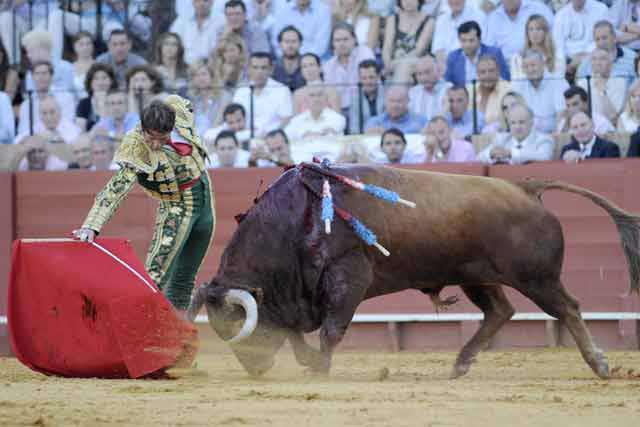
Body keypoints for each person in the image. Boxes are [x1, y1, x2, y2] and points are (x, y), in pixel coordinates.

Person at [73, 96, 215, 313]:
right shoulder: (135, 145)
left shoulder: (179, 109)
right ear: (143, 127)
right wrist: (92, 225)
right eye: (151, 137)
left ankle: (172, 334)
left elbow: (190, 105)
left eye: (163, 137)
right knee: (154, 278)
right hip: (176, 208)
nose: (156, 144)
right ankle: (130, 327)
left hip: (205, 200)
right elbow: (116, 187)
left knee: (185, 276)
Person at [232, 52, 293, 138]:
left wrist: (271, 136)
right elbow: (233, 118)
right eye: (255, 68)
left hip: (272, 138)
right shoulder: (241, 91)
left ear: (271, 70)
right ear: (249, 69)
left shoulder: (282, 90)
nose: (259, 72)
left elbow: (286, 120)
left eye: (263, 68)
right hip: (244, 136)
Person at [322, 22, 375, 115]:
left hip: (364, 107)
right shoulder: (328, 66)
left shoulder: (364, 53)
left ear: (354, 40)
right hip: (339, 111)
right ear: (333, 43)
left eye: (345, 39)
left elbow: (371, 83)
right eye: (337, 40)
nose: (341, 44)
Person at [511, 49, 568, 134]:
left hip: (553, 134)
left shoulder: (558, 81)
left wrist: (556, 135)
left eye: (533, 65)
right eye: (526, 66)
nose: (530, 70)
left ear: (543, 64)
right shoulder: (518, 85)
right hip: (526, 135)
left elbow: (562, 114)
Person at [476, 104, 554, 164]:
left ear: (531, 123)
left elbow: (544, 157)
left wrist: (511, 153)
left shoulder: (544, 139)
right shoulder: (502, 139)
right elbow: (478, 158)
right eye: (513, 123)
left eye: (521, 122)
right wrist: (491, 154)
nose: (517, 127)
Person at [483, 0, 554, 63]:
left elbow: (554, 37)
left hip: (538, 63)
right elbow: (489, 50)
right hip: (505, 68)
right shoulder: (493, 18)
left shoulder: (538, 8)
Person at [381, 0, 435, 83]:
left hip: (418, 63)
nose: (408, 1)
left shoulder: (429, 21)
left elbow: (419, 51)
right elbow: (387, 47)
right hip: (392, 64)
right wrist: (388, 65)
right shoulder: (393, 19)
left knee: (405, 65)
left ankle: (396, 94)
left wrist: (396, 64)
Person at [444, 20, 510, 87]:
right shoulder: (453, 57)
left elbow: (505, 80)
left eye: (471, 40)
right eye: (463, 41)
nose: (467, 45)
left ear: (479, 39)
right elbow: (448, 84)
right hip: (463, 96)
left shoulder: (494, 53)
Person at [553, 0, 608, 76]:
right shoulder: (560, 16)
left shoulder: (601, 9)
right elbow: (558, 47)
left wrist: (586, 55)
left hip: (595, 56)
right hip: (569, 62)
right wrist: (565, 68)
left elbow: (606, 37)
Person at [577, 48, 628, 125]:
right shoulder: (582, 83)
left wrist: (602, 91)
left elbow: (613, 117)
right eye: (594, 59)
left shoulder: (620, 82)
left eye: (602, 59)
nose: (597, 63)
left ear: (611, 63)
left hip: (610, 129)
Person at [431, 0, 486, 68]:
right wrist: (444, 68)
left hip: (470, 66)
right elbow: (438, 49)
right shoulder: (442, 19)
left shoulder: (478, 16)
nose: (455, 1)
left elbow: (479, 47)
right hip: (446, 68)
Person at [510, 14, 564, 81]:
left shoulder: (557, 55)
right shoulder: (517, 57)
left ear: (545, 32)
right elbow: (516, 81)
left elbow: (559, 79)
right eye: (531, 29)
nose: (534, 33)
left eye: (538, 29)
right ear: (527, 33)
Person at [169, 0, 224, 64]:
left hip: (212, 66)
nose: (201, 4)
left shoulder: (222, 20)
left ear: (212, 2)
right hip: (185, 67)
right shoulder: (182, 20)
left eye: (205, 1)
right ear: (193, 2)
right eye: (198, 1)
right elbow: (171, 43)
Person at [471, 55, 512, 133]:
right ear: (477, 74)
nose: (487, 76)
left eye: (491, 71)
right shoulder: (470, 90)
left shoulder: (508, 91)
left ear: (498, 72)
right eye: (483, 72)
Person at [75, 63, 118, 132]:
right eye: (96, 78)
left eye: (104, 78)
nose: (100, 82)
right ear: (90, 82)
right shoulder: (84, 103)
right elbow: (80, 131)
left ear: (111, 81)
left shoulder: (119, 101)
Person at [409, 55, 451, 122]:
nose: (423, 78)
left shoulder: (449, 89)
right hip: (416, 130)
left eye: (427, 72)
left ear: (438, 70)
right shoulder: (413, 92)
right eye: (419, 74)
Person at [349, 59, 385, 134]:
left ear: (378, 76)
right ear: (359, 79)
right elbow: (354, 128)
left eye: (371, 77)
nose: (368, 81)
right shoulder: (355, 98)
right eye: (364, 78)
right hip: (364, 138)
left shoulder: (388, 94)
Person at [151, 33, 190, 97]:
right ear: (160, 47)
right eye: (166, 44)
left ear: (179, 49)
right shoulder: (153, 70)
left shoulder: (187, 70)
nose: (170, 48)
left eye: (174, 44)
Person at [271, 26, 306, 92]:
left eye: (294, 41)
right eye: (287, 42)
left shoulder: (308, 65)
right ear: (280, 44)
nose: (290, 45)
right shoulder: (272, 67)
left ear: (300, 43)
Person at [71, 31, 96, 100]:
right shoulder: (69, 68)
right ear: (74, 47)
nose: (85, 47)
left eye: (88, 44)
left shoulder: (98, 66)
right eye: (81, 44)